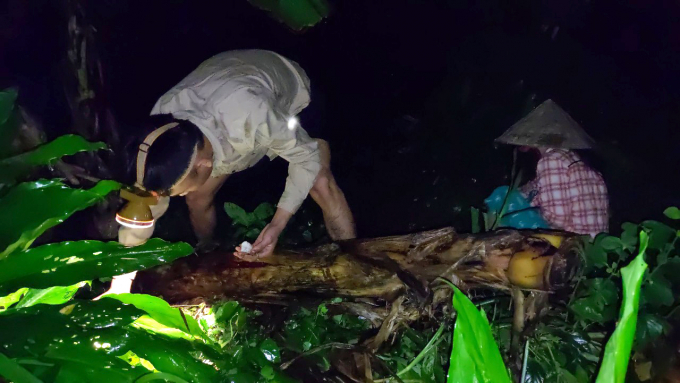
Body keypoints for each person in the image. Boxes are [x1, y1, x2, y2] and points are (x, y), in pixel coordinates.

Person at [103, 50, 356, 296]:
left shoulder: (253, 114)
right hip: (221, 105)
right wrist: (120, 283)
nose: (170, 197)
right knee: (197, 197)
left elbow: (306, 156)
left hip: (291, 95)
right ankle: (209, 250)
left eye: (172, 192)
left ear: (203, 165)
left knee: (319, 181)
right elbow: (145, 206)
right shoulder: (162, 129)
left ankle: (358, 265)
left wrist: (276, 225)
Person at [495, 99, 609, 237]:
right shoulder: (571, 158)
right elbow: (535, 188)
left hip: (571, 248)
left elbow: (557, 218)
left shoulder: (551, 161)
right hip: (595, 246)